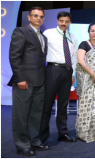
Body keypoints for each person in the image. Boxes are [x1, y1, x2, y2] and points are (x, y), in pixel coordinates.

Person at [8, 6, 50, 156]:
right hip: (24, 81)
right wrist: (20, 78)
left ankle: (35, 141)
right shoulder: (21, 32)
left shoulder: (43, 37)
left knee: (35, 114)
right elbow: (14, 56)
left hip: (39, 82)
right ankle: (22, 144)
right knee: (21, 115)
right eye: (35, 15)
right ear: (29, 17)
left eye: (41, 16)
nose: (38, 18)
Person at [40, 11, 78, 143]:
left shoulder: (72, 36)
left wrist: (72, 74)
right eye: (62, 21)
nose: (64, 23)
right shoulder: (48, 33)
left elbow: (73, 57)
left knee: (63, 104)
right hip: (52, 70)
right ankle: (42, 136)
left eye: (67, 21)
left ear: (70, 22)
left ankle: (63, 133)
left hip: (67, 71)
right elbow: (41, 52)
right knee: (47, 104)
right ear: (57, 21)